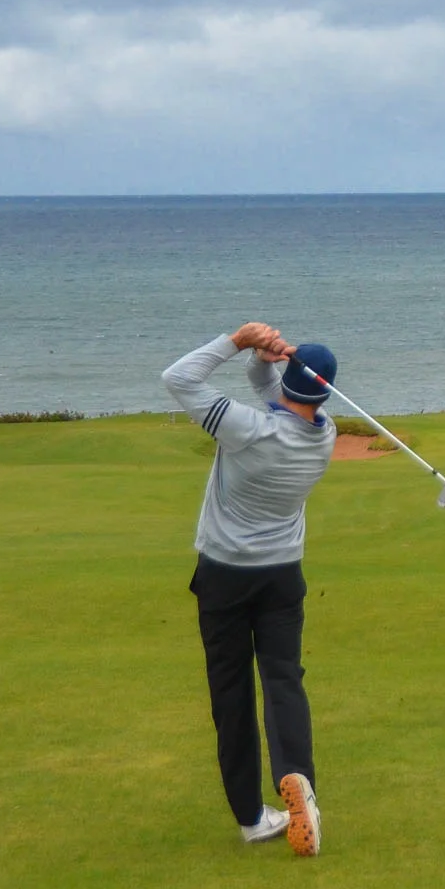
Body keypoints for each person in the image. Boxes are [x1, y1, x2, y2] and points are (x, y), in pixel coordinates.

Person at [161, 322, 339, 857]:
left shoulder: (247, 430)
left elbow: (178, 378)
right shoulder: (323, 433)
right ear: (325, 390)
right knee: (284, 678)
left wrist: (235, 342)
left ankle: (251, 816)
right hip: (283, 574)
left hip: (224, 576)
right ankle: (297, 778)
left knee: (231, 692)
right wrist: (265, 362)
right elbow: (277, 394)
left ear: (292, 380)